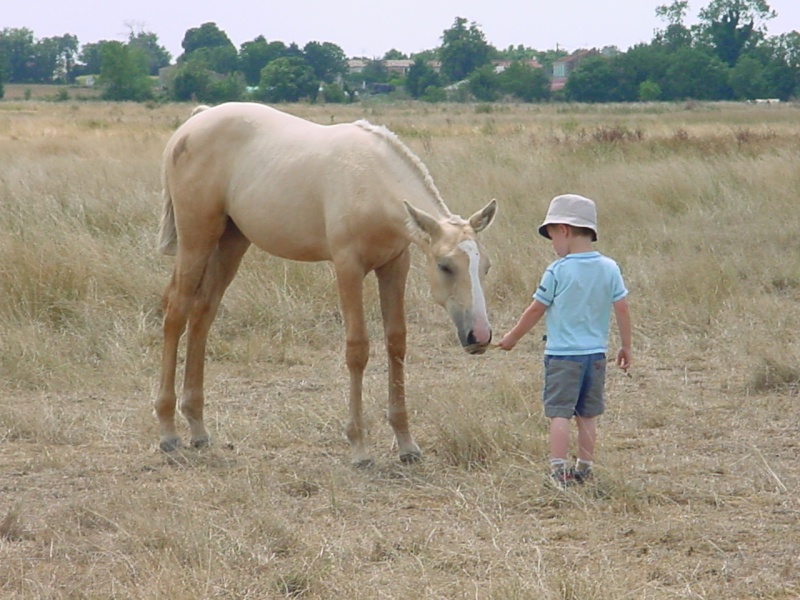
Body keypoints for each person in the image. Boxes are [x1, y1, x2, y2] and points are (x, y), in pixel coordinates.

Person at [498, 193, 632, 486]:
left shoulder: (557, 271)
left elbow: (536, 309)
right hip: (596, 356)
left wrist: (512, 338)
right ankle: (584, 467)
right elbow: (621, 307)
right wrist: (626, 346)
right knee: (588, 414)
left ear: (564, 230)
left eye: (551, 236)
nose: (553, 245)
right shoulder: (610, 267)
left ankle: (558, 470)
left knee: (560, 414)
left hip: (562, 356)